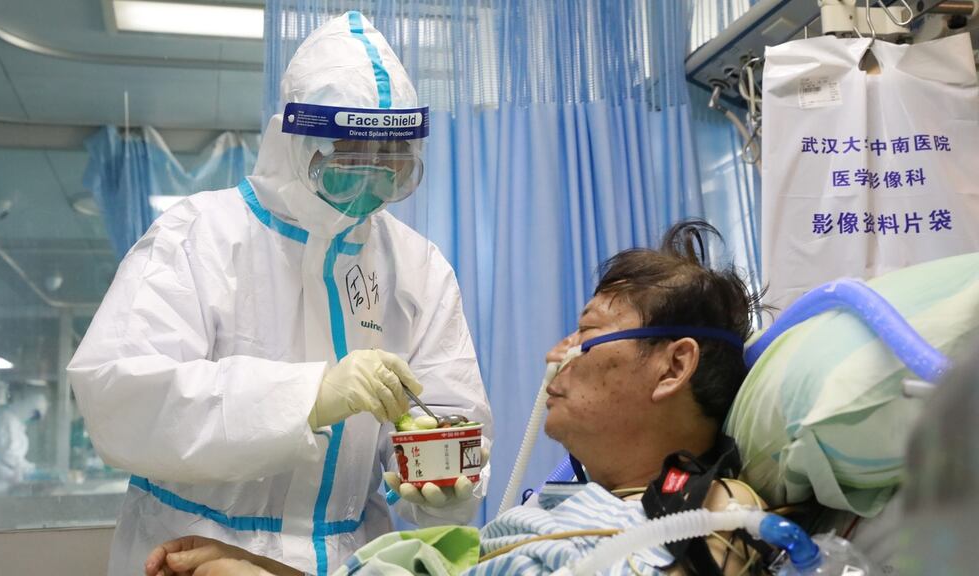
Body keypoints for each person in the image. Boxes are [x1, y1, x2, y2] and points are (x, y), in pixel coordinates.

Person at [67, 11, 492, 576]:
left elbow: (448, 412)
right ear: (295, 143)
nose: (373, 177)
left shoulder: (417, 266)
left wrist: (448, 485)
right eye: (349, 156)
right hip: (193, 555)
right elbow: (121, 397)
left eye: (390, 158)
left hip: (353, 560)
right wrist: (307, 397)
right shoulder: (198, 237)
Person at [145, 220, 768, 576]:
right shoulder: (573, 507)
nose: (560, 350)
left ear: (673, 366)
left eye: (590, 332)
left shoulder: (709, 524)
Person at [0, 387, 48, 494]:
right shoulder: (7, 420)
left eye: (35, 418)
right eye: (33, 415)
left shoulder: (17, 423)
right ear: (27, 406)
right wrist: (25, 469)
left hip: (8, 482)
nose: (32, 419)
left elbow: (14, 457)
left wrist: (28, 467)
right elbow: (6, 455)